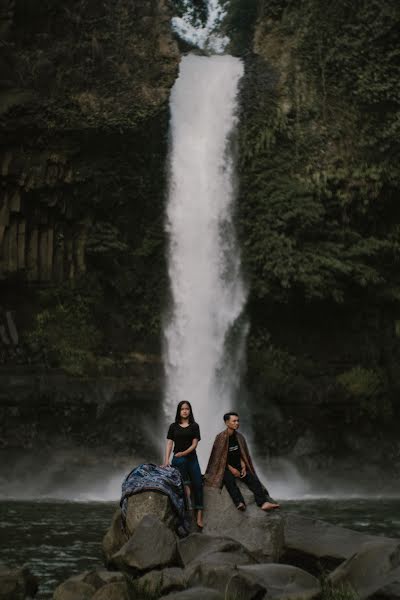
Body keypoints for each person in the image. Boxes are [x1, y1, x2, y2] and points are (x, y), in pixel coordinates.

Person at [205, 411, 280, 511]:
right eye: (234, 421)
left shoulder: (240, 437)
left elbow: (242, 454)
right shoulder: (220, 438)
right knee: (229, 481)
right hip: (225, 467)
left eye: (238, 421)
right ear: (227, 423)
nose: (237, 423)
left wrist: (243, 465)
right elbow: (218, 458)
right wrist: (232, 470)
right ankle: (239, 502)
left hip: (238, 465)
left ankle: (263, 503)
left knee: (253, 479)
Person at [162, 401, 204, 528]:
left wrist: (183, 453)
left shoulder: (194, 426)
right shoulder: (173, 426)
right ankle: (187, 503)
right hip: (178, 459)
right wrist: (166, 460)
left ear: (190, 411)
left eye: (187, 409)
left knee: (198, 484)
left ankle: (199, 515)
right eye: (182, 409)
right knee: (182, 474)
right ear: (179, 411)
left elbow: (194, 445)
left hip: (191, 458)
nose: (185, 411)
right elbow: (169, 443)